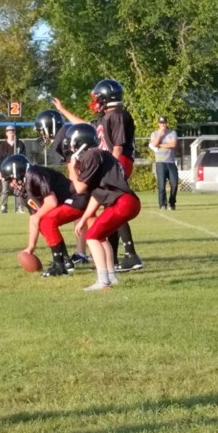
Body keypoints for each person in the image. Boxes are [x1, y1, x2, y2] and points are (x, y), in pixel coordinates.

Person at [52, 79, 145, 272]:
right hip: (110, 162)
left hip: (118, 161)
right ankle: (120, 257)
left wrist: (113, 167)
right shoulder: (106, 116)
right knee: (112, 206)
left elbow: (118, 146)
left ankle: (130, 254)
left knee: (116, 203)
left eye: (97, 98)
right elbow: (85, 126)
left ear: (105, 97)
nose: (95, 101)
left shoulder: (118, 115)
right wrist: (64, 111)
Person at [64, 124, 142, 291]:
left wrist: (72, 166)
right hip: (126, 201)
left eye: (72, 142)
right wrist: (84, 219)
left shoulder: (92, 155)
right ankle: (111, 277)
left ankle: (103, 281)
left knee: (92, 237)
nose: (70, 146)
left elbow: (79, 188)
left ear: (80, 142)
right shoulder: (101, 155)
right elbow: (97, 195)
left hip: (122, 202)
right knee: (100, 236)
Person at [0, 153, 90, 277]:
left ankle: (59, 266)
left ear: (18, 172)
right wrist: (30, 247)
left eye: (11, 179)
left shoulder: (34, 174)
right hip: (67, 201)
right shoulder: (26, 188)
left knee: (46, 221)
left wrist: (38, 216)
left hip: (77, 198)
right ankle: (65, 261)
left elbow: (51, 202)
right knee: (42, 221)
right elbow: (33, 220)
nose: (11, 184)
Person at [36, 109, 90, 266]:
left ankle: (87, 253)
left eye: (42, 130)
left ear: (49, 126)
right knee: (85, 215)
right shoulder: (65, 132)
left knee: (84, 214)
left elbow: (73, 163)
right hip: (89, 175)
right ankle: (83, 252)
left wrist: (75, 187)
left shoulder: (63, 137)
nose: (42, 135)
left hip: (86, 178)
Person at [149, 116, 179, 210]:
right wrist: (160, 135)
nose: (163, 125)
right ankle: (162, 204)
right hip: (160, 162)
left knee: (174, 183)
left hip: (170, 161)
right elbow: (153, 144)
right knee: (161, 185)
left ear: (167, 123)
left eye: (164, 123)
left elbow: (173, 144)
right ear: (158, 124)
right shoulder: (154, 134)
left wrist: (160, 145)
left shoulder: (172, 133)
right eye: (161, 123)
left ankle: (172, 202)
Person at [0, 125, 27, 214]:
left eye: (13, 132)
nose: (11, 134)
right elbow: (0, 159)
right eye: (9, 132)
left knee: (18, 188)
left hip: (17, 170)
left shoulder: (20, 144)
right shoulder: (2, 145)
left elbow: (23, 157)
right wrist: (0, 171)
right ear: (6, 134)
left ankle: (19, 208)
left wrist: (23, 171)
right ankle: (3, 207)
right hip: (6, 170)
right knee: (5, 190)